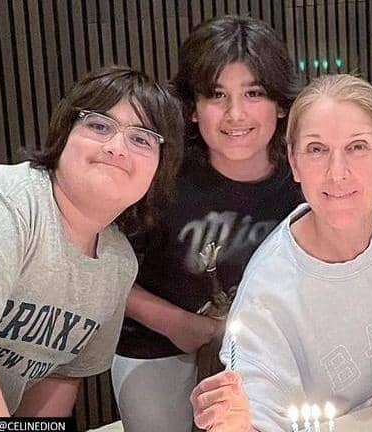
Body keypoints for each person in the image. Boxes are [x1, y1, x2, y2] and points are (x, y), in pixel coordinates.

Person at [189, 74, 372, 431]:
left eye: (357, 147)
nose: (337, 173)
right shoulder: (268, 293)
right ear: (294, 162)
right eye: (316, 149)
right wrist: (235, 421)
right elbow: (255, 415)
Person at [0, 66, 184, 416]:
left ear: (160, 168)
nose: (115, 148)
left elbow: (60, 375)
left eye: (141, 139)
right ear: (64, 135)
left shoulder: (119, 264)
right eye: (99, 126)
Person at [111, 15, 302, 432]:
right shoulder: (159, 173)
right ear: (192, 108)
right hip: (159, 340)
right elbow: (101, 264)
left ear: (281, 103)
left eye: (254, 93)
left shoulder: (304, 175)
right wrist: (178, 324)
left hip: (270, 348)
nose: (235, 114)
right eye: (216, 95)